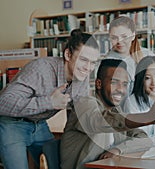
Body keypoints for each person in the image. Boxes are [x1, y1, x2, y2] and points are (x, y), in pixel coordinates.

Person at [0, 29, 100, 169]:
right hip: (12, 124)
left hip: (39, 124)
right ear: (67, 54)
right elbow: (3, 103)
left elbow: (76, 116)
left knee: (56, 165)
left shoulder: (81, 76)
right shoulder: (40, 68)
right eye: (83, 60)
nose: (88, 68)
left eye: (93, 62)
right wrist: (49, 102)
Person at [60, 59, 155, 169]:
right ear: (99, 84)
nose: (121, 89)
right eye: (114, 82)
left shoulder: (117, 111)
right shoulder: (84, 104)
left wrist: (117, 149)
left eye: (125, 84)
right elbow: (101, 121)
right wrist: (148, 117)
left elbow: (145, 140)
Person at [106, 16, 154, 94]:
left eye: (124, 36)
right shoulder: (107, 61)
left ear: (133, 35)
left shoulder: (148, 55)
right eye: (114, 38)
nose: (119, 41)